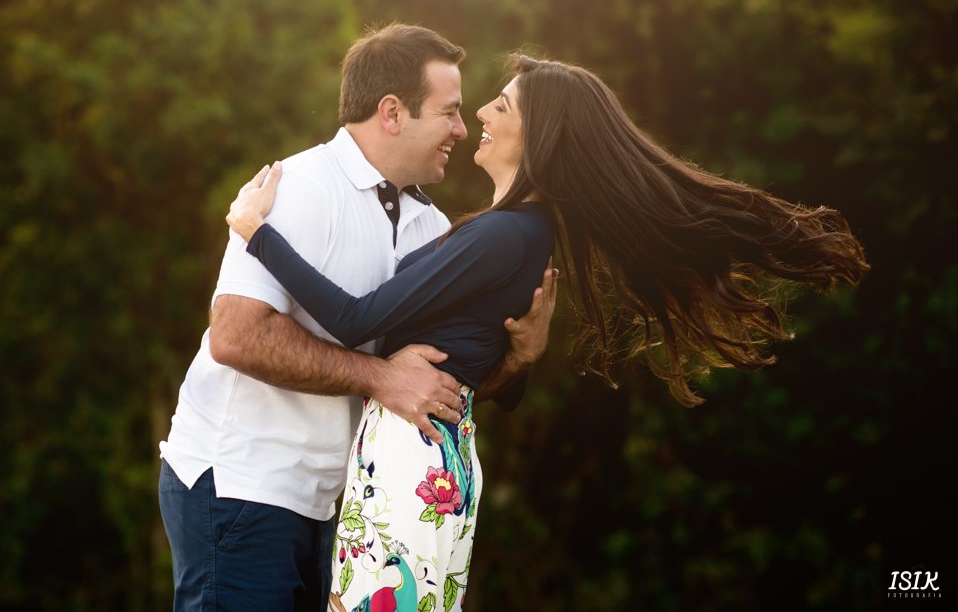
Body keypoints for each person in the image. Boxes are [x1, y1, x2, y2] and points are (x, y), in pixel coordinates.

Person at [225, 55, 869, 610]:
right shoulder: (516, 233)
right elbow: (480, 368)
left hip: (410, 460)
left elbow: (355, 320)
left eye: (501, 104)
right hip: (425, 455)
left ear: (539, 136)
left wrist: (259, 235)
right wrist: (523, 360)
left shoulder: (503, 235)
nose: (479, 112)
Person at [157, 25, 556, 612]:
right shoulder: (298, 189)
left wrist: (520, 358)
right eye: (448, 112)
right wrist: (377, 377)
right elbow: (235, 337)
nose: (461, 129)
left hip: (346, 504)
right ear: (392, 112)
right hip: (244, 486)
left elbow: (434, 391)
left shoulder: (436, 229)